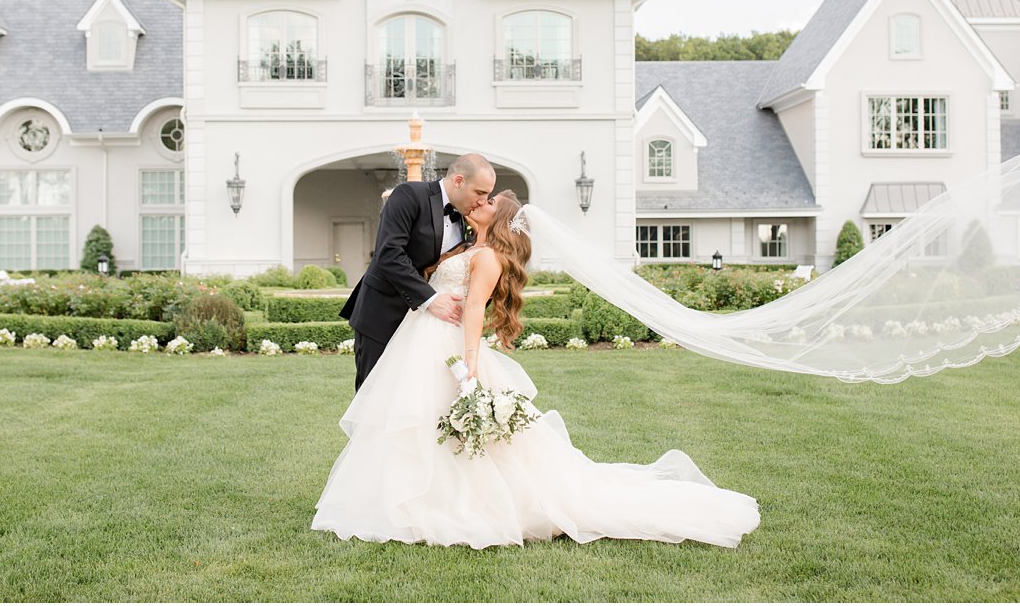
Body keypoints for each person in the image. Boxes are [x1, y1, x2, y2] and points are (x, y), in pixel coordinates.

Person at [313, 190, 761, 549]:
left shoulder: (487, 257)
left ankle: (451, 503)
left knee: (434, 426)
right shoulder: (470, 247)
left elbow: (473, 311)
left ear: (500, 218)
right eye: (480, 197)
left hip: (447, 348)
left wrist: (468, 369)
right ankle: (400, 499)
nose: (479, 203)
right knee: (414, 424)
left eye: (488, 203)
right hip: (422, 340)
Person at [339, 153, 496, 390]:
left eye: (487, 195)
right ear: (459, 181)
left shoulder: (464, 219)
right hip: (382, 316)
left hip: (423, 330)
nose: (483, 201)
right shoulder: (409, 195)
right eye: (480, 193)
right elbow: (389, 253)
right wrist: (430, 299)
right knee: (372, 397)